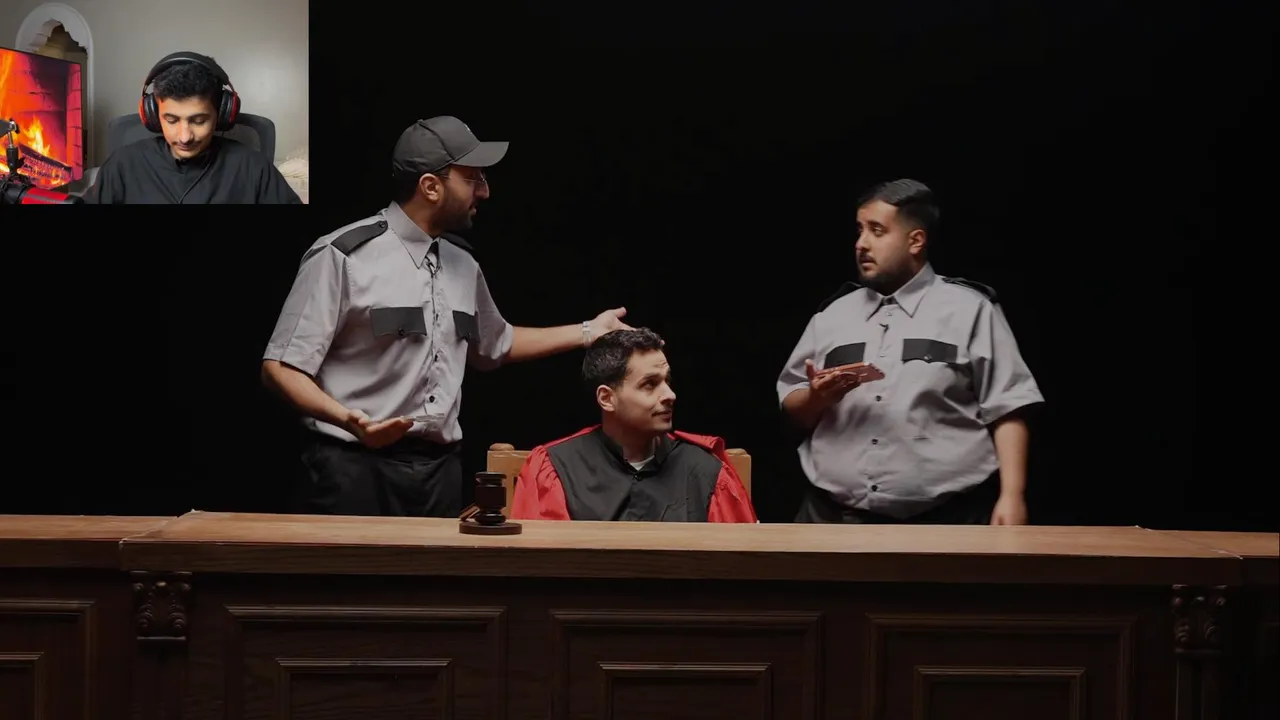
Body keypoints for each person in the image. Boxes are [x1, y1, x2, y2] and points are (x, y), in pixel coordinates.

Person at [262, 115, 631, 517]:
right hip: (353, 470)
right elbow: (281, 367)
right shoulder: (343, 256)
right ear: (431, 186)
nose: (485, 191)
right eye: (473, 178)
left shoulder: (463, 264)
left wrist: (589, 331)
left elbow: (497, 344)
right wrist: (350, 421)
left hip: (438, 475)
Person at [777, 179, 1044, 525]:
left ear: (915, 240)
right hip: (831, 518)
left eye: (877, 231)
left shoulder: (970, 310)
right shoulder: (832, 315)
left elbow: (1008, 407)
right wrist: (816, 398)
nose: (861, 243)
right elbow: (793, 409)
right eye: (859, 230)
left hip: (948, 522)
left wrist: (1012, 495)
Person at [511, 328, 757, 523]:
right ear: (607, 398)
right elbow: (540, 564)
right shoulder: (557, 469)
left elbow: (739, 564)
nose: (670, 394)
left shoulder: (705, 472)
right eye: (650, 384)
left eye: (667, 381)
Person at [84, 52, 301, 204]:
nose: (185, 137)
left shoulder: (254, 168)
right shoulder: (122, 164)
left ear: (222, 114)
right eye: (171, 120)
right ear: (152, 114)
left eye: (198, 121)